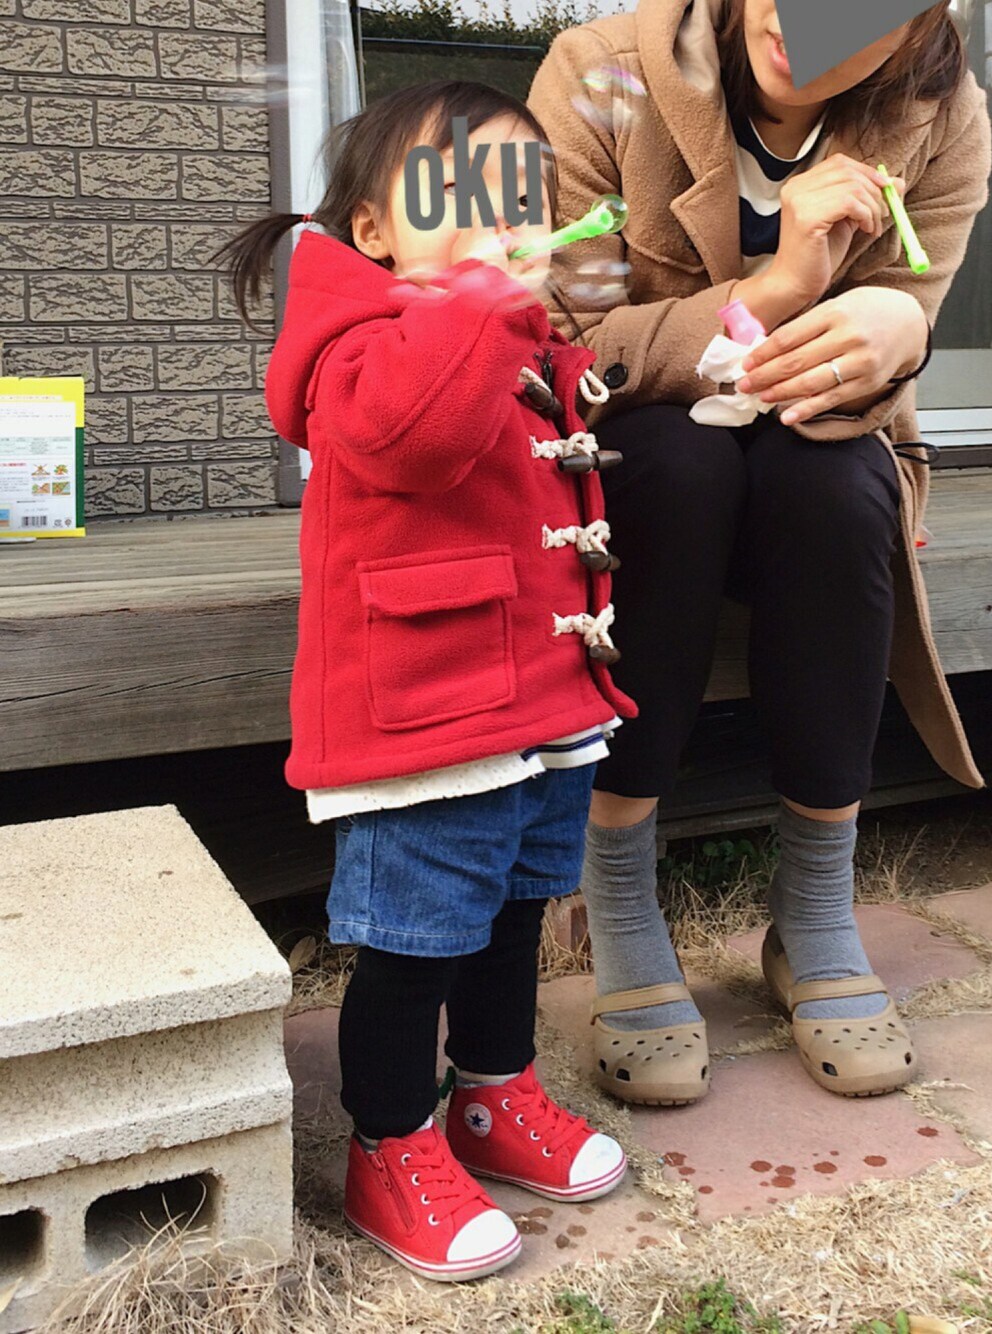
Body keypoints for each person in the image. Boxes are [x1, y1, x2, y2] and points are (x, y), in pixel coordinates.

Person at [529, 0, 991, 1105]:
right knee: (675, 464)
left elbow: (899, 321)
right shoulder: (599, 73)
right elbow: (559, 342)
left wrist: (904, 333)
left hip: (809, 457)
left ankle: (814, 909)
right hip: (643, 464)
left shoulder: (939, 113)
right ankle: (620, 894)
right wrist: (770, 292)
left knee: (837, 484)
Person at [220, 81, 635, 1283]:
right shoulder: (358, 346)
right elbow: (415, 437)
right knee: (413, 940)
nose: (503, 214)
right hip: (428, 711)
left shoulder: (514, 335)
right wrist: (484, 305)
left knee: (513, 911)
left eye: (523, 192)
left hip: (535, 695)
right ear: (373, 231)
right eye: (458, 188)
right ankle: (389, 1140)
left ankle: (493, 1091)